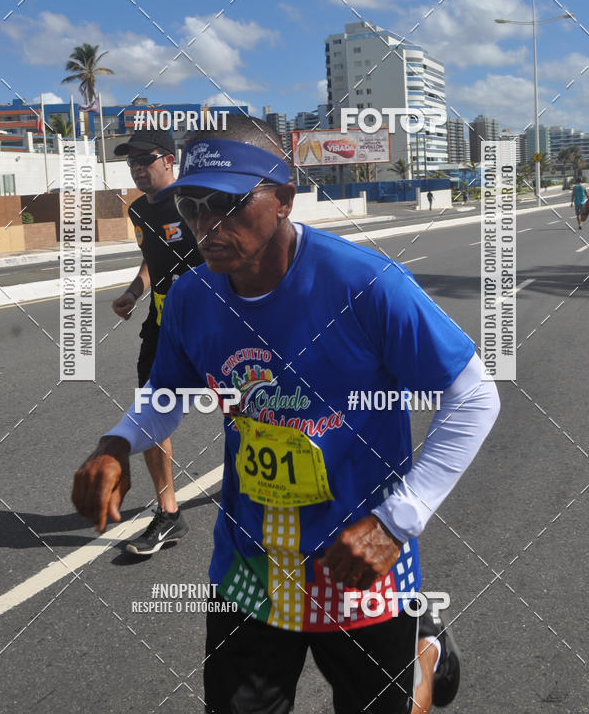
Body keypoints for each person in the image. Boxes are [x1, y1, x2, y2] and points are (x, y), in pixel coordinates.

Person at [73, 117, 500, 713]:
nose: (205, 225)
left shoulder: (366, 284)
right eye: (191, 205)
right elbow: (167, 395)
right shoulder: (195, 296)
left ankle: (422, 654)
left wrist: (397, 520)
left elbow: (475, 396)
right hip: (250, 566)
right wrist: (119, 440)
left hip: (360, 562)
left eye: (226, 205)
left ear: (284, 201)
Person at [111, 127, 203, 555]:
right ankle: (169, 513)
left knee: (250, 407)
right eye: (131, 162)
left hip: (216, 321)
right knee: (151, 412)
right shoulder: (137, 212)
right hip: (164, 324)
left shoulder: (197, 200)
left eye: (144, 160)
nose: (137, 169)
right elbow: (152, 259)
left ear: (169, 160)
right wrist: (135, 290)